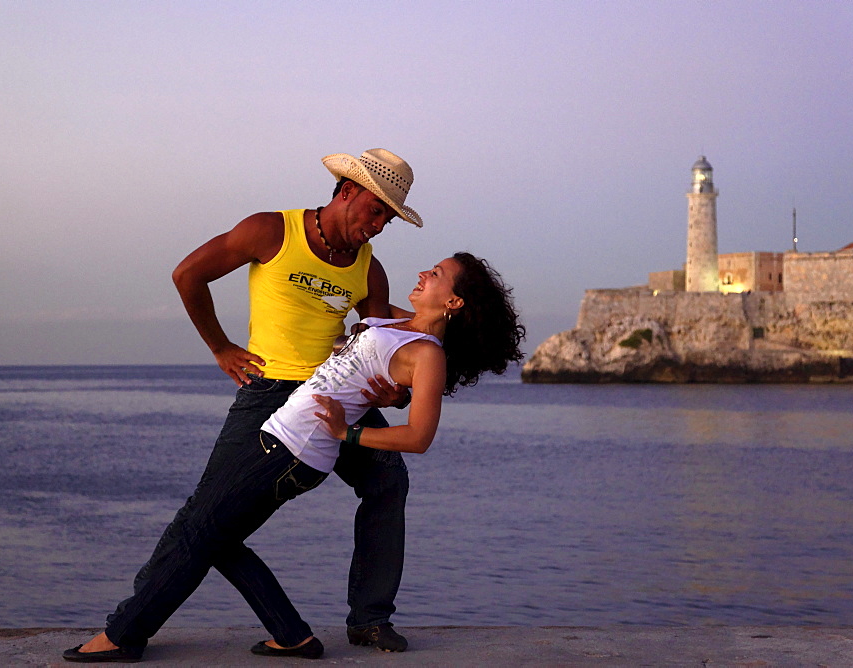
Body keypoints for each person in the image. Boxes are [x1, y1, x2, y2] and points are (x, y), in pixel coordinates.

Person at [63, 252, 526, 661]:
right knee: (214, 535)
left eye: (439, 273)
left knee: (202, 529)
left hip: (296, 449)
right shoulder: (396, 321)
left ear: (454, 302)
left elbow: (420, 436)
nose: (425, 271)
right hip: (281, 433)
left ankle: (123, 634)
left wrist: (350, 433)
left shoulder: (427, 354)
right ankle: (292, 636)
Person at [63, 149, 420, 663]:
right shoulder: (271, 231)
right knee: (207, 521)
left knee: (388, 480)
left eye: (388, 216)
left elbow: (381, 346)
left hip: (334, 396)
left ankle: (369, 620)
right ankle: (133, 632)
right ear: (347, 191)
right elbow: (188, 274)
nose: (380, 224)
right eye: (376, 210)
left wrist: (396, 393)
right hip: (270, 393)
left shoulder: (370, 270)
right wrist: (221, 348)